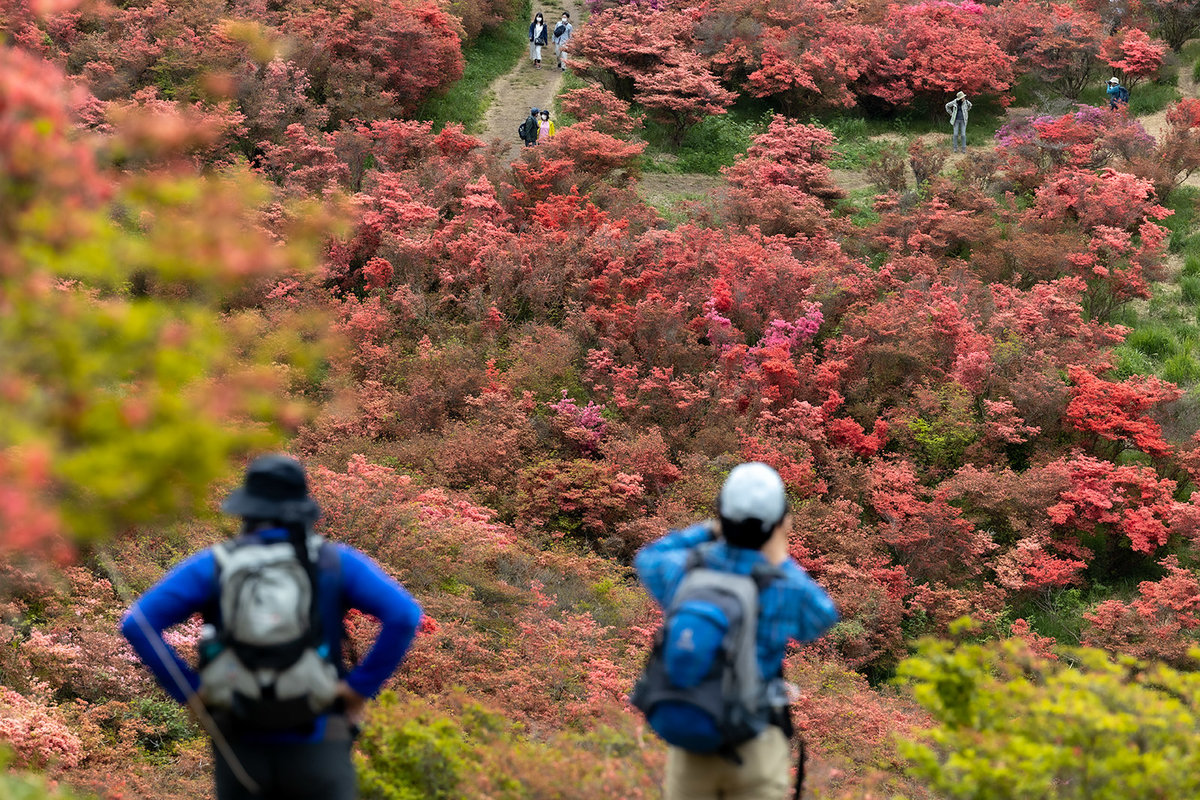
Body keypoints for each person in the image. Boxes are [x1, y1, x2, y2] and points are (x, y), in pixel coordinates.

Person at [121, 454, 422, 800]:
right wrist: (359, 688)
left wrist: (189, 692)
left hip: (240, 746)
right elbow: (404, 615)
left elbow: (137, 624)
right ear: (301, 510)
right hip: (319, 742)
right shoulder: (335, 562)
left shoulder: (215, 564)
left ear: (246, 510)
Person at [633, 462, 838, 800]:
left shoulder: (686, 570)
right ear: (778, 524)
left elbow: (648, 558)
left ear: (721, 513)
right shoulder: (783, 587)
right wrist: (779, 555)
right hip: (754, 744)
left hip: (692, 744)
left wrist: (711, 529)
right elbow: (823, 615)